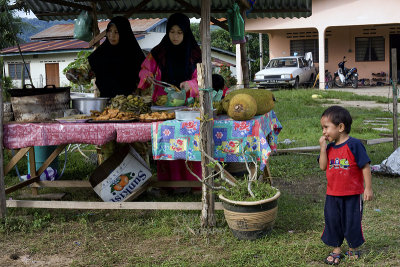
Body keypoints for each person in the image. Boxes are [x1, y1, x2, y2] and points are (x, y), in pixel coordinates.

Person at [138, 13, 202, 191]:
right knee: (168, 142)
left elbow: (202, 79)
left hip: (188, 108)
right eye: (172, 31)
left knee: (189, 142)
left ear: (186, 33)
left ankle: (193, 183)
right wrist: (147, 77)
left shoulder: (196, 54)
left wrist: (189, 85)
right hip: (163, 108)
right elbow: (144, 70)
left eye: (179, 32)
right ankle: (170, 184)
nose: (175, 36)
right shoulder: (158, 52)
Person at [318, 105, 373, 265]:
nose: (324, 131)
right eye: (322, 128)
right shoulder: (329, 148)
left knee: (352, 222)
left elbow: (365, 166)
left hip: (352, 195)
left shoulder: (354, 145)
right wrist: (322, 149)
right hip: (332, 194)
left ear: (340, 127)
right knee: (332, 221)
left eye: (326, 127)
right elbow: (322, 166)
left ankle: (353, 248)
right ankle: (336, 249)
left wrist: (367, 188)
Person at [88, 16, 145, 98]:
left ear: (124, 33)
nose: (112, 35)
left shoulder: (134, 54)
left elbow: (144, 80)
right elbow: (86, 72)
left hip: (129, 104)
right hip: (105, 103)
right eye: (109, 31)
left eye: (116, 32)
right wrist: (75, 74)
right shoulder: (100, 53)